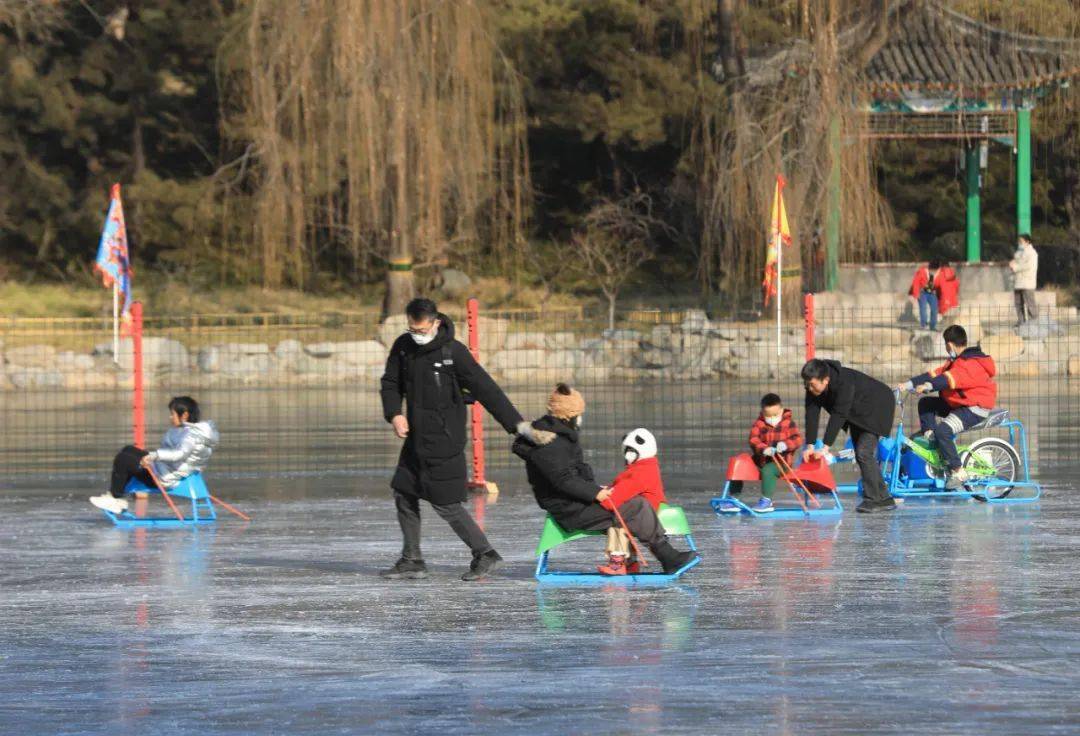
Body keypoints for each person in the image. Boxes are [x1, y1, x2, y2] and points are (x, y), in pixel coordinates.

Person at [379, 297, 524, 582]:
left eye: (421, 330)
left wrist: (516, 426)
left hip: (445, 440)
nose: (417, 336)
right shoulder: (403, 347)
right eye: (412, 330)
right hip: (415, 439)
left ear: (435, 322)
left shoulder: (452, 352)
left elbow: (487, 390)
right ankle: (412, 560)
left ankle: (485, 554)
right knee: (404, 492)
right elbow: (390, 382)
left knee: (446, 503)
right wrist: (394, 413)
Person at [513, 384, 699, 575]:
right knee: (637, 506)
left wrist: (594, 488)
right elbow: (564, 480)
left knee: (633, 505)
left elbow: (574, 472)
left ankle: (637, 561)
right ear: (570, 415)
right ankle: (668, 557)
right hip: (571, 509)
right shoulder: (552, 443)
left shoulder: (559, 438)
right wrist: (596, 492)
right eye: (579, 414)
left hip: (574, 503)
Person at [897, 325, 996, 490]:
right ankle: (931, 437)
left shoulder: (969, 364)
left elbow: (947, 380)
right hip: (959, 404)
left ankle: (958, 471)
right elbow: (935, 374)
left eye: (945, 345)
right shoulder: (956, 361)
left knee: (943, 431)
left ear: (949, 345)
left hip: (974, 408)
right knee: (926, 403)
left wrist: (928, 386)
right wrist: (907, 384)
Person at [90, 396, 218, 514]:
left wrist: (153, 456)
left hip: (164, 479)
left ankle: (115, 497)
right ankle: (116, 495)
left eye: (172, 414)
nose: (170, 417)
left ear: (184, 415)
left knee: (123, 459)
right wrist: (153, 458)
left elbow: (179, 454)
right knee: (128, 450)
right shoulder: (189, 432)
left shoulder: (190, 435)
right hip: (165, 469)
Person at [801, 359, 896, 513]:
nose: (809, 388)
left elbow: (839, 414)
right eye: (806, 384)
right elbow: (811, 413)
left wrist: (825, 448)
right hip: (857, 411)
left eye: (812, 384)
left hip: (878, 406)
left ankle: (874, 499)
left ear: (825, 380)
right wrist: (810, 445)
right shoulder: (813, 387)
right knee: (862, 454)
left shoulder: (844, 382)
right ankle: (884, 498)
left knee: (863, 453)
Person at [716, 393, 803, 514]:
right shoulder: (759, 423)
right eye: (768, 415)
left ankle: (767, 501)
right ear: (763, 412)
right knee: (740, 464)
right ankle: (733, 499)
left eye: (775, 414)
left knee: (768, 469)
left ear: (781, 410)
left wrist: (785, 445)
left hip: (782, 463)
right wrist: (763, 448)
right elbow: (753, 439)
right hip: (761, 459)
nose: (772, 417)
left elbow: (797, 439)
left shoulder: (789, 423)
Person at [596, 427, 667, 575]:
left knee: (617, 521)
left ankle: (618, 564)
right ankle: (630, 564)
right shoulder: (647, 466)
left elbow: (616, 497)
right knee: (622, 517)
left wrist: (600, 498)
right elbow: (621, 489)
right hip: (645, 510)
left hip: (645, 513)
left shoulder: (639, 471)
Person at [909, 259, 958, 330]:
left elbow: (939, 285)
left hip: (932, 293)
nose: (934, 272)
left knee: (934, 309)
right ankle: (924, 324)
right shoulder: (922, 271)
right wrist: (916, 294)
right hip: (923, 292)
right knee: (923, 308)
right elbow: (916, 282)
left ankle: (932, 326)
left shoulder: (940, 273)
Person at [1009, 233, 1039, 326]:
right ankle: (1021, 321)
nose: (1020, 243)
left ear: (1027, 241)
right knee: (1018, 303)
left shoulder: (1032, 253)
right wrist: (1013, 263)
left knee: (1030, 303)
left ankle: (1033, 322)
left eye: (1021, 241)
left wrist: (1015, 267)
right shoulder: (1019, 252)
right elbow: (1016, 262)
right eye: (1019, 241)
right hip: (1018, 282)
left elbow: (1029, 266)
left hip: (1027, 282)